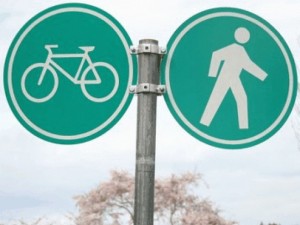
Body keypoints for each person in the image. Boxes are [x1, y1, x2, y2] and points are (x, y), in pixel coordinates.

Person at [200, 27, 268, 129]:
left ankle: (244, 127)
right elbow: (216, 55)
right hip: (225, 77)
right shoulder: (234, 48)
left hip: (234, 78)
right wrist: (212, 73)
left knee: (242, 99)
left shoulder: (241, 50)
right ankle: (205, 122)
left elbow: (248, 65)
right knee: (216, 99)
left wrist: (263, 76)